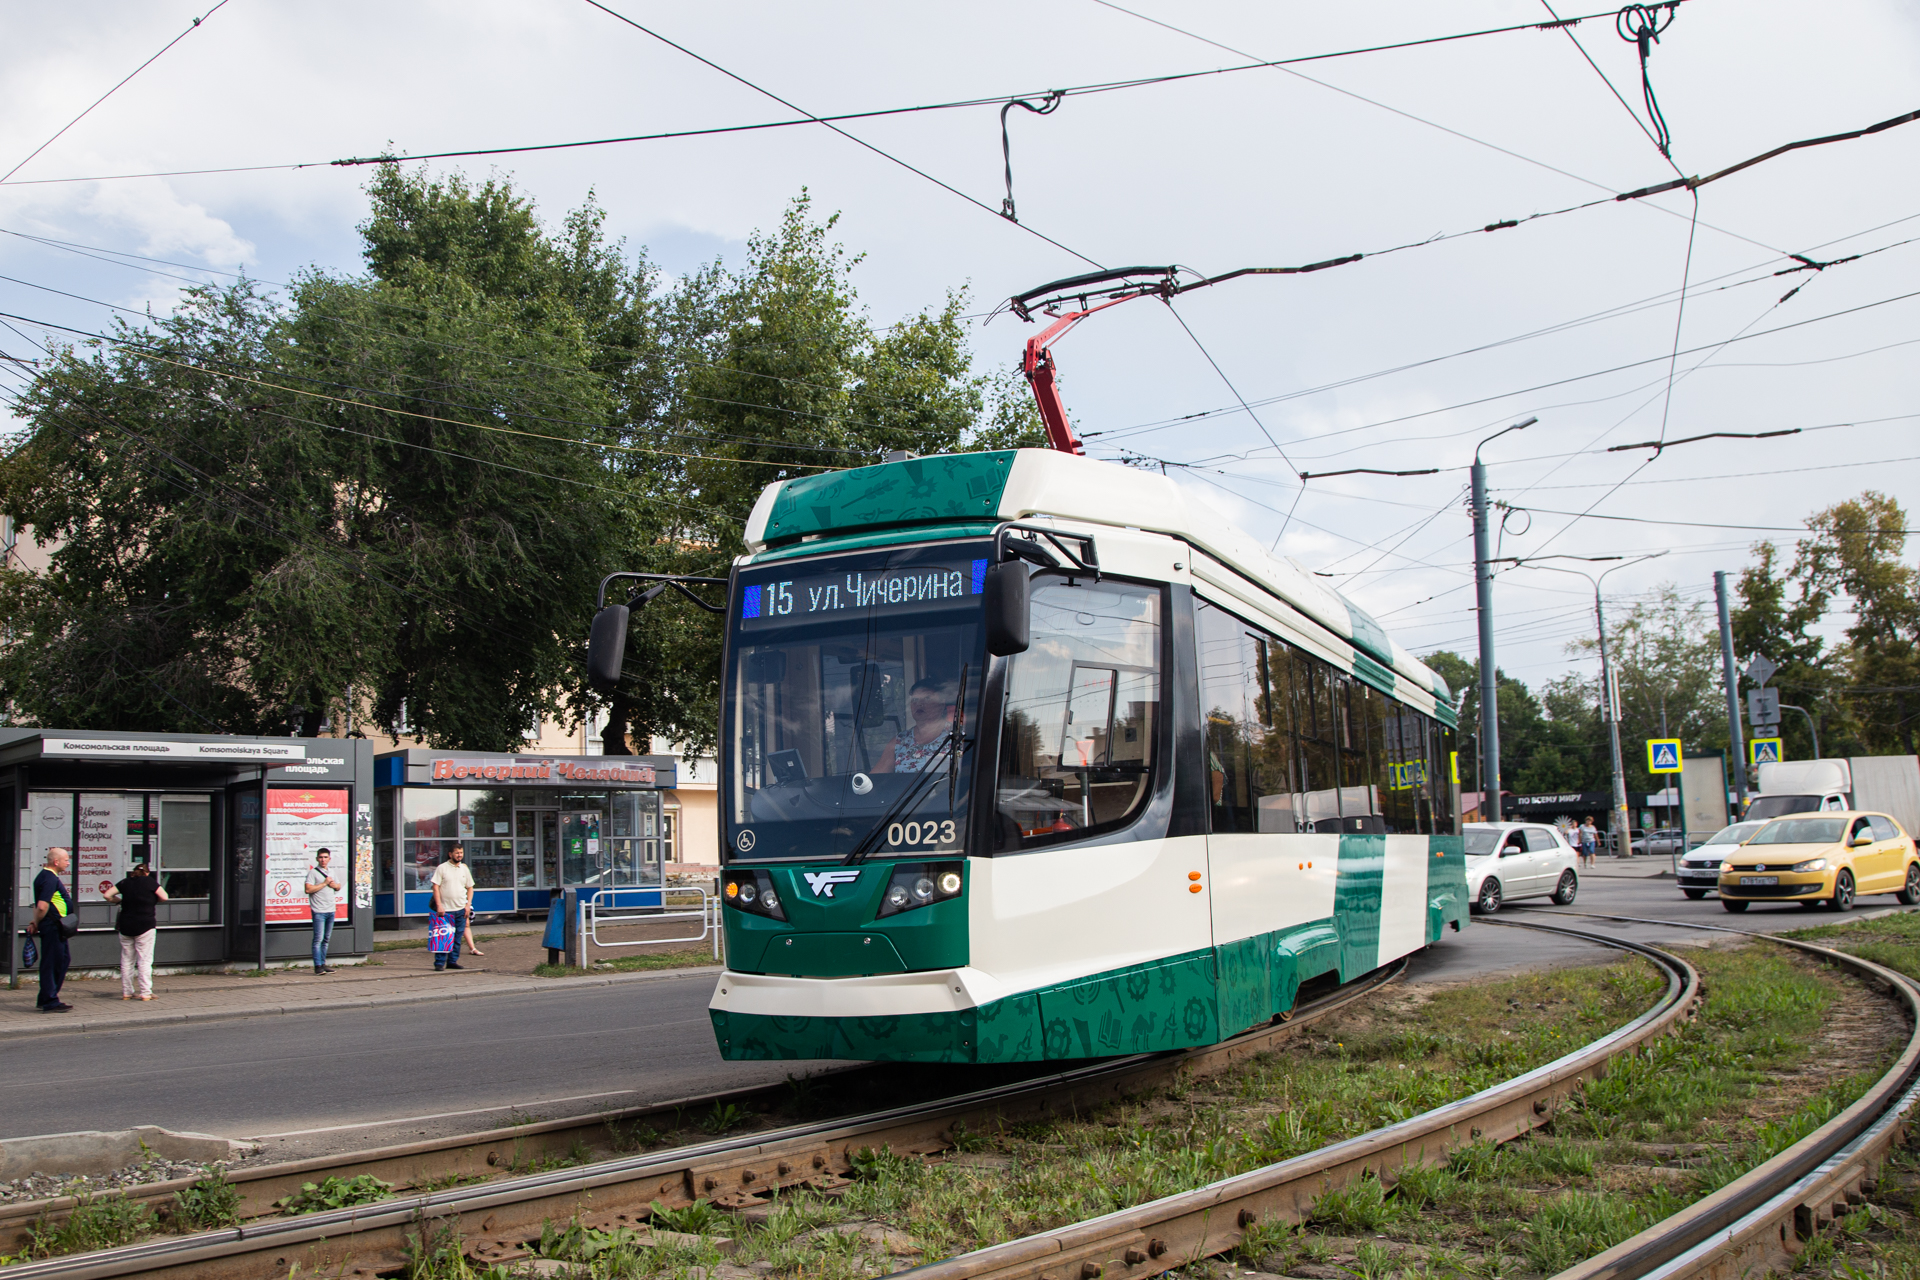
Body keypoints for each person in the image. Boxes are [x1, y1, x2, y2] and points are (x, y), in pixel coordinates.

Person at [102, 861, 168, 1000]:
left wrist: (118, 901)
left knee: (127, 960)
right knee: (144, 960)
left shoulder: (125, 882)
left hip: (125, 926)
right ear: (147, 872)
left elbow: (107, 895)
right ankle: (145, 992)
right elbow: (164, 897)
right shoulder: (150, 882)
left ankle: (127, 992)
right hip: (145, 926)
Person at [875, 677, 957, 774]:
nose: (919, 704)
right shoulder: (899, 742)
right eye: (915, 699)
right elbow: (875, 780)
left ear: (942, 703)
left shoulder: (957, 737)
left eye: (927, 698)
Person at [29, 847, 74, 1013]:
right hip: (53, 926)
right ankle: (50, 1000)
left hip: (55, 926)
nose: (68, 863)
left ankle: (46, 997)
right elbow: (42, 906)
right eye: (66, 860)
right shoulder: (49, 878)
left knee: (62, 959)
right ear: (56, 862)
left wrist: (35, 922)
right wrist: (37, 922)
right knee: (52, 962)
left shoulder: (45, 877)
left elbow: (38, 904)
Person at [430, 844, 475, 971]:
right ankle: (439, 963)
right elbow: (435, 887)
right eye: (457, 853)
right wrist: (439, 905)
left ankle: (452, 961)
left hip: (461, 909)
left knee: (457, 937)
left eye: (461, 852)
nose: (459, 855)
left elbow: (470, 887)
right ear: (450, 854)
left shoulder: (464, 868)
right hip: (445, 910)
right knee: (443, 937)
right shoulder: (442, 868)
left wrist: (468, 905)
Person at [304, 848, 343, 974]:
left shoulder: (332, 871)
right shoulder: (313, 873)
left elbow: (338, 886)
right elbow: (308, 890)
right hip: (319, 911)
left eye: (325, 857)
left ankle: (323, 963)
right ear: (317, 859)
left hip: (331, 909)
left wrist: (334, 885)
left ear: (329, 859)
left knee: (326, 939)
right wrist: (325, 883)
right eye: (321, 857)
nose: (323, 859)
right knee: (318, 939)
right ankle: (317, 966)